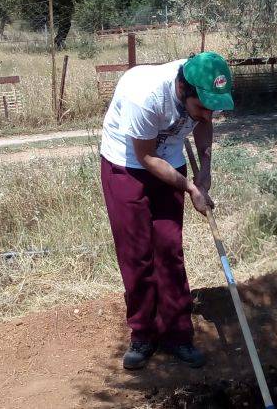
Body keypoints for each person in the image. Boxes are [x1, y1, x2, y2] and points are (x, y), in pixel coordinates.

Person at [100, 52, 234, 369]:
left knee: (169, 248)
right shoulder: (144, 96)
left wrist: (205, 169)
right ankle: (143, 335)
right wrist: (190, 188)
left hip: (170, 160)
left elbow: (204, 124)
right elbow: (146, 157)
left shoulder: (200, 96)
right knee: (137, 254)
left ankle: (177, 335)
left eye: (212, 106)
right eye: (202, 105)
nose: (207, 112)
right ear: (182, 89)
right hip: (127, 165)